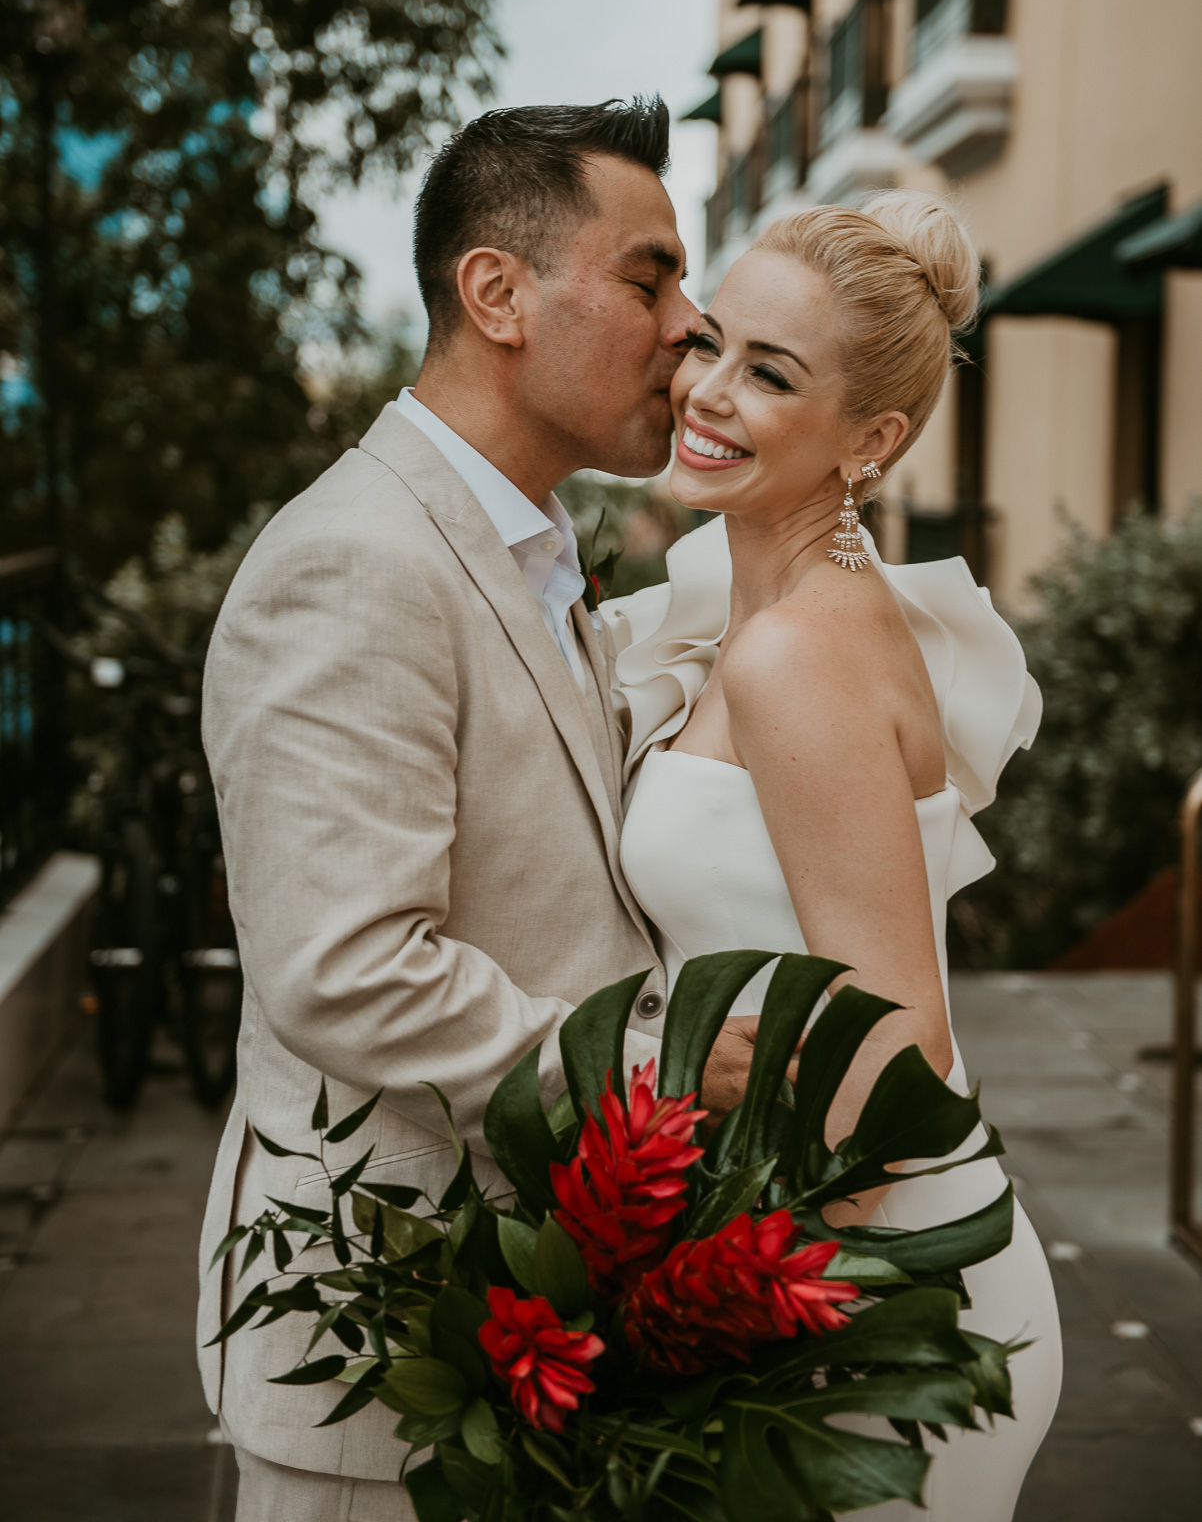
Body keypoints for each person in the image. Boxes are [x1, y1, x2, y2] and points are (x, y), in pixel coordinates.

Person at [197, 97, 759, 1520]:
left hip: (548, 1335)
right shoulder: (352, 561)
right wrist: (663, 1075)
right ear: (495, 291)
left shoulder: (528, 550)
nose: (691, 324)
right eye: (649, 276)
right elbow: (348, 969)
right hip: (383, 1355)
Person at [608, 194, 1063, 1521]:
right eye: (710, 343)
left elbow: (894, 1042)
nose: (708, 390)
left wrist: (710, 1281)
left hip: (873, 1308)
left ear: (870, 440)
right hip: (811, 1265)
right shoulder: (748, 617)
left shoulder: (795, 652)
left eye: (769, 374)